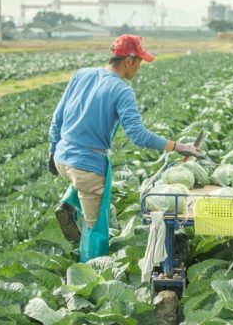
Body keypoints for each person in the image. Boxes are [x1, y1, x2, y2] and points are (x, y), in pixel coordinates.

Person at [48, 34, 201, 257]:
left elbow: (57, 116)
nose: (139, 68)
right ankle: (92, 269)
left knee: (81, 179)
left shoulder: (81, 74)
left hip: (62, 158)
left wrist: (52, 150)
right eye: (139, 62)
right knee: (96, 229)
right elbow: (138, 135)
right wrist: (178, 146)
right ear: (128, 61)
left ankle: (68, 203)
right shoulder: (121, 90)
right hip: (86, 167)